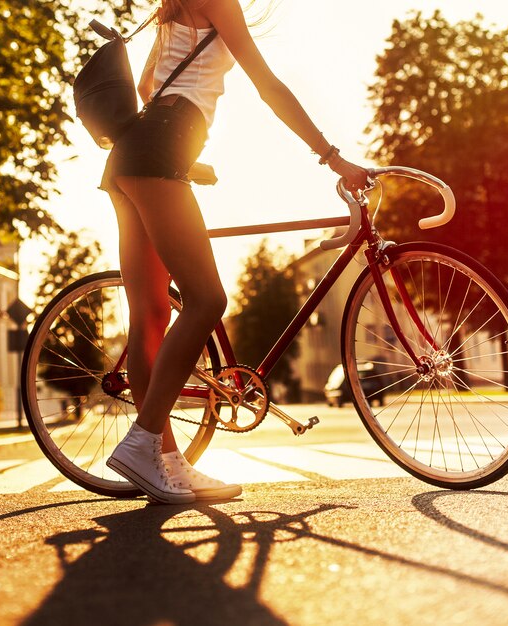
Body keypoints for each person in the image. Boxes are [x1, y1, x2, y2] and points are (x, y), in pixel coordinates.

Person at [103, 0, 368, 504]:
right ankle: (143, 443)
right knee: (206, 300)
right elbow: (267, 86)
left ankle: (166, 462)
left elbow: (146, 90)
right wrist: (332, 156)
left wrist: (186, 158)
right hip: (158, 151)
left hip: (131, 156)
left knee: (152, 316)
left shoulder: (173, 5)